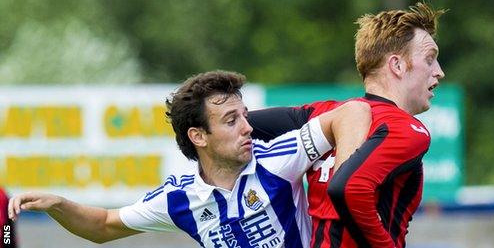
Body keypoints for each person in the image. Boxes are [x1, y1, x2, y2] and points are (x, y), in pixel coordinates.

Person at [7, 70, 371, 248]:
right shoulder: (178, 200)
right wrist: (57, 203)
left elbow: (353, 113)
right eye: (232, 120)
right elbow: (102, 225)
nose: (249, 127)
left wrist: (344, 188)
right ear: (198, 136)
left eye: (244, 115)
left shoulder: (278, 159)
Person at [248, 2, 446, 248]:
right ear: (397, 65)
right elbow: (348, 188)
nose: (439, 72)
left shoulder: (326, 115)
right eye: (430, 59)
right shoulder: (406, 129)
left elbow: (243, 124)